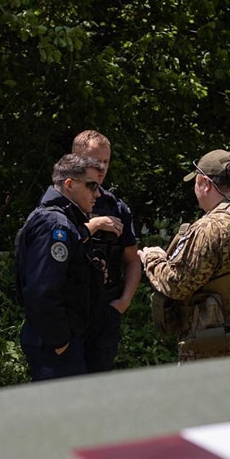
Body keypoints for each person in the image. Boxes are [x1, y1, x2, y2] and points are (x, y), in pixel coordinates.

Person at [137, 149, 230, 362]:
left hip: (210, 348)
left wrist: (153, 258)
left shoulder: (212, 227)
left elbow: (177, 284)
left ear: (205, 183)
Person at [15, 154, 123, 381]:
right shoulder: (56, 226)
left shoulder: (65, 222)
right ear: (69, 184)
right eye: (92, 186)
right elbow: (42, 291)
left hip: (63, 340)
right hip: (55, 345)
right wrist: (60, 341)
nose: (97, 194)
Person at [71, 130, 142, 372]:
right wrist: (95, 224)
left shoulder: (116, 207)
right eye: (95, 161)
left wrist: (123, 302)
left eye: (106, 161)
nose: (101, 168)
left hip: (105, 312)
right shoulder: (61, 203)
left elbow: (133, 260)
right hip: (69, 314)